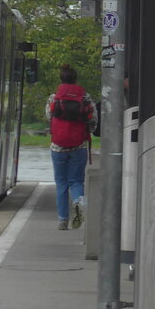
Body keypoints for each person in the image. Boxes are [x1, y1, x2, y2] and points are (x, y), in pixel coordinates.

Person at [45, 64, 98, 230]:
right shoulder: (85, 98)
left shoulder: (54, 98)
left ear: (61, 79)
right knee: (76, 181)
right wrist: (86, 132)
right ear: (76, 80)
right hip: (79, 145)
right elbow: (93, 120)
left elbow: (49, 117)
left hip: (58, 147)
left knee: (61, 182)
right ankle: (78, 202)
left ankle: (62, 220)